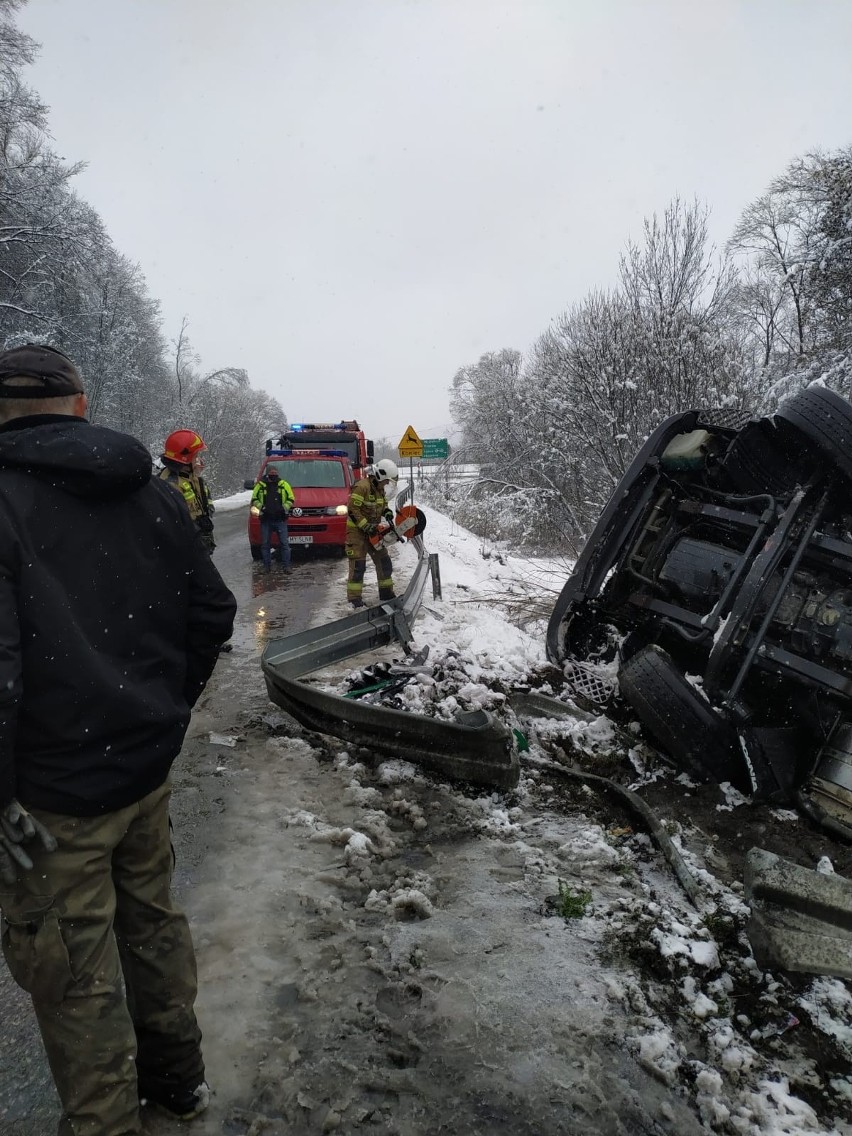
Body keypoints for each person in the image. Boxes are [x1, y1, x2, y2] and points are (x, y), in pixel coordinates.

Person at [0, 344, 237, 1135]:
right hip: (142, 774)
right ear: (81, 402)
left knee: (72, 969)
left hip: (51, 800)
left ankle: (104, 1123)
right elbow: (213, 613)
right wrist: (163, 711)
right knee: (152, 923)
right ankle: (179, 1083)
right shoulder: (156, 496)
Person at [345, 457, 399, 608]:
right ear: (380, 475)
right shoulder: (362, 487)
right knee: (358, 566)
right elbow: (352, 510)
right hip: (357, 533)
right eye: (386, 480)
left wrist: (387, 512)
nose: (387, 483)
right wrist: (365, 526)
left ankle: (386, 593)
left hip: (372, 531)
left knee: (384, 562)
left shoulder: (379, 489)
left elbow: (383, 505)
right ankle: (354, 601)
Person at [159, 429, 216, 553]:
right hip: (186, 550)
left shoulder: (189, 476)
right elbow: (175, 525)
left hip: (197, 545)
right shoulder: (171, 483)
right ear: (185, 458)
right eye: (195, 456)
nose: (198, 460)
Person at [250, 466, 295, 572]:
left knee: (284, 544)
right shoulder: (260, 486)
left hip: (280, 519)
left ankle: (286, 566)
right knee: (265, 544)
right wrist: (262, 508)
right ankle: (266, 566)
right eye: (272, 472)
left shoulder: (284, 484)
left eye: (275, 472)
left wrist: (283, 508)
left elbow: (291, 498)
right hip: (266, 519)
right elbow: (254, 499)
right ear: (267, 473)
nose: (274, 474)